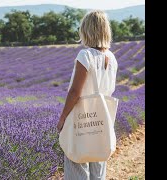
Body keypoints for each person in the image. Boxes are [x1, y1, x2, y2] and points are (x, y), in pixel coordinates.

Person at [56, 10, 118, 180]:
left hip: (81, 120)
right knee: (98, 168)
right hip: (101, 120)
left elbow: (75, 91)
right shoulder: (112, 58)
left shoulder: (86, 55)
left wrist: (62, 118)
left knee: (76, 163)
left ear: (87, 30)